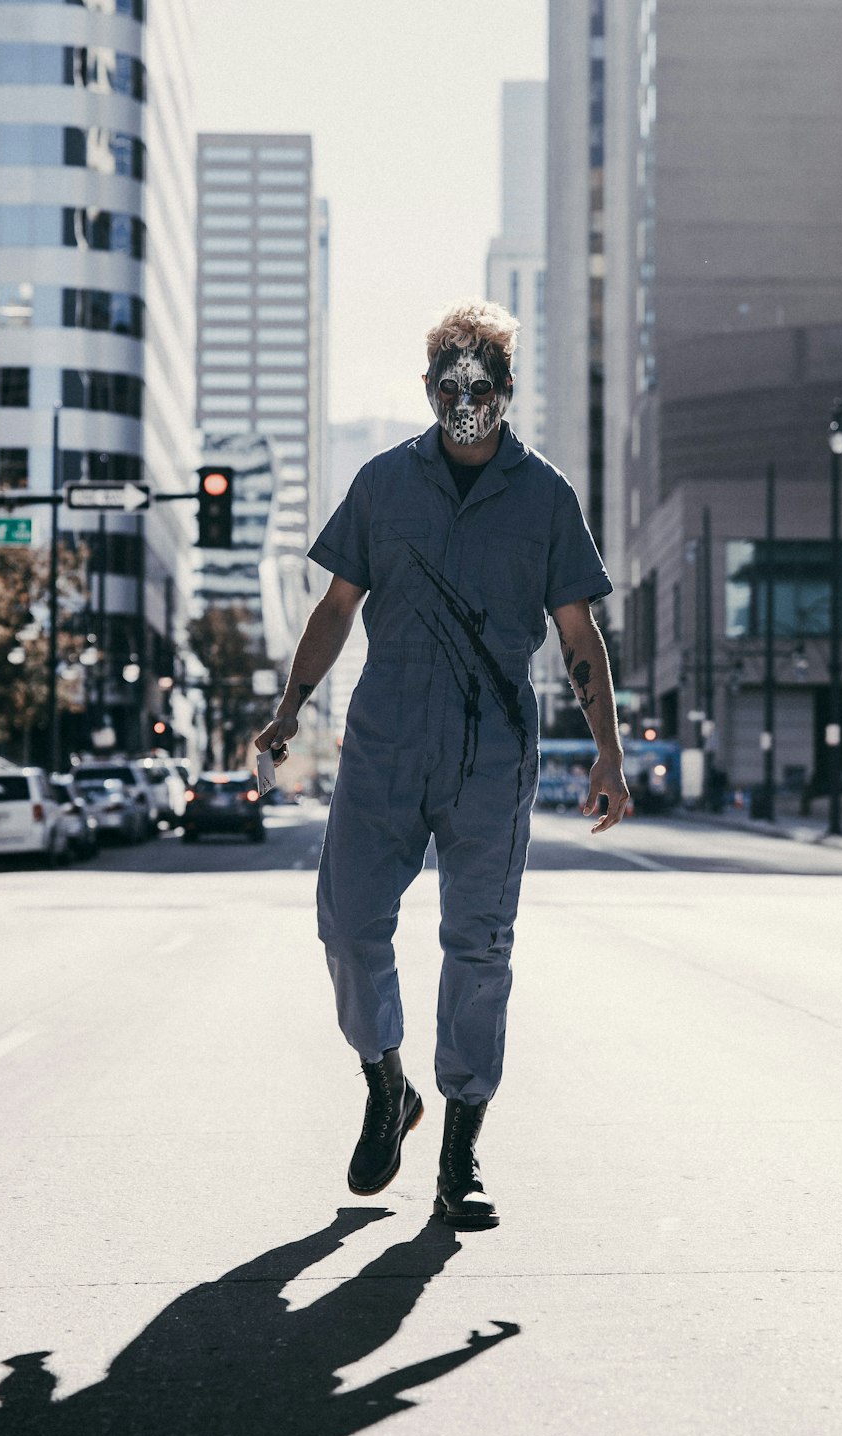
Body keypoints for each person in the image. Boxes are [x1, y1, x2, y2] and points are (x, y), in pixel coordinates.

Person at [256, 299, 630, 1229]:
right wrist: (288, 709)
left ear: (506, 392)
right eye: (450, 385)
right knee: (346, 924)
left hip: (492, 757)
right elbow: (337, 609)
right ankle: (388, 1086)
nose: (466, 399)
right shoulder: (384, 483)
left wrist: (609, 754)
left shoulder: (545, 497)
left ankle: (460, 1152)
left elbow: (578, 631)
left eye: (483, 386)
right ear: (428, 390)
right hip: (384, 742)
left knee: (479, 948)